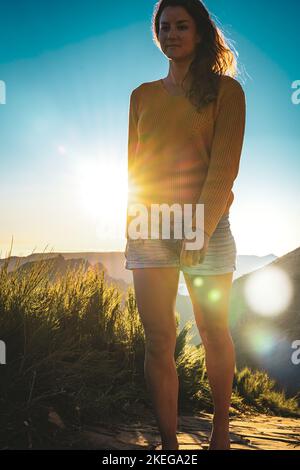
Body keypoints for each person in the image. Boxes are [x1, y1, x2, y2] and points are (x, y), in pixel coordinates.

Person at [124, 0, 246, 451]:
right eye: (164, 26)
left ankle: (219, 430)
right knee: (158, 338)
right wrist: (132, 227)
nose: (171, 33)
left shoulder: (226, 93)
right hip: (149, 226)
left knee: (213, 329)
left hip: (207, 225)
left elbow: (223, 169)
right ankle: (169, 444)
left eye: (181, 25)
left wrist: (200, 227)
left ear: (199, 32)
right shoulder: (141, 95)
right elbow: (135, 169)